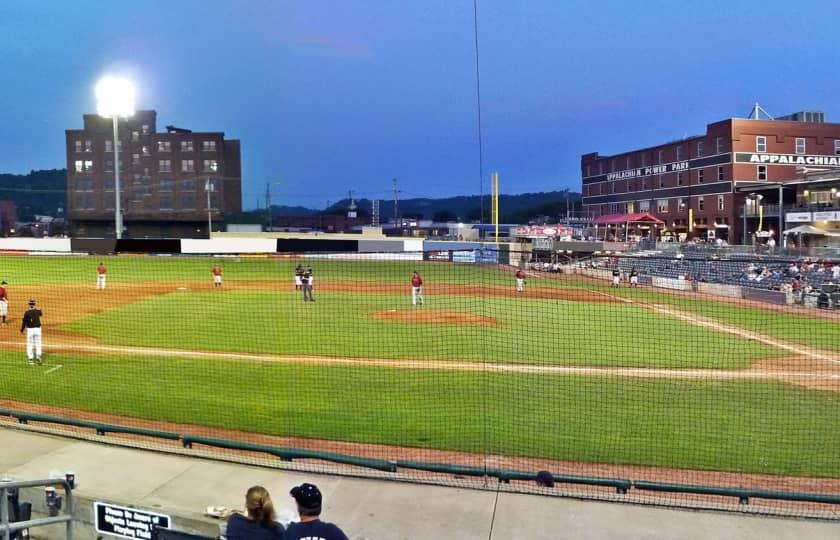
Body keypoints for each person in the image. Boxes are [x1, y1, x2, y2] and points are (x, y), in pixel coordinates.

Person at [20, 298, 43, 366]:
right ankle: (38, 356)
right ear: (34, 304)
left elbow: (24, 322)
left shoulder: (26, 313)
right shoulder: (37, 311)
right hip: (38, 330)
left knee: (30, 344)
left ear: (29, 305)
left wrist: (22, 330)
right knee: (38, 343)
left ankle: (31, 360)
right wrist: (39, 309)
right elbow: (41, 314)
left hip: (30, 330)